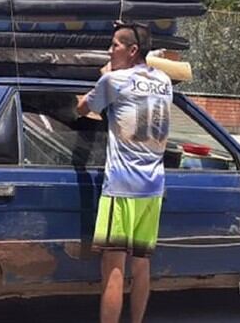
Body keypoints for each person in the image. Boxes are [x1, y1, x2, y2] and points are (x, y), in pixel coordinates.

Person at [77, 21, 173, 323]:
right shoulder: (165, 81)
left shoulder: (114, 82)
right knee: (142, 265)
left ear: (132, 50)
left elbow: (83, 109)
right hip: (153, 187)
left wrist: (104, 75)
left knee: (113, 268)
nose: (109, 50)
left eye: (115, 44)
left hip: (121, 187)